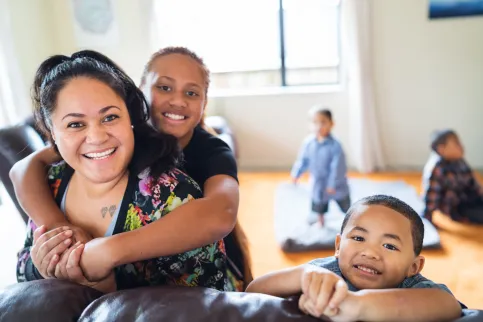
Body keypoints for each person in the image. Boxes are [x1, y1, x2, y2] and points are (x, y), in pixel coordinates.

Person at [10, 47, 251, 291]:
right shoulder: (69, 165)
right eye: (164, 87)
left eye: (191, 92)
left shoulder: (202, 161)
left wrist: (105, 254)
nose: (95, 136)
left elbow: (220, 213)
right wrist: (58, 234)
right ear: (141, 91)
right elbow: (23, 169)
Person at [246, 195, 463, 322]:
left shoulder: (413, 286)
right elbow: (253, 292)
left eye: (389, 245)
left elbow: (449, 305)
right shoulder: (326, 272)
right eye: (359, 238)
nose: (370, 253)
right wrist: (302, 275)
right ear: (338, 246)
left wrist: (358, 305)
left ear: (414, 266)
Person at [291, 106, 350, 226]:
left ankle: (351, 219)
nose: (318, 126)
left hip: (335, 183)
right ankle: (320, 221)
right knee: (319, 204)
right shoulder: (309, 143)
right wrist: (296, 174)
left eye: (323, 122)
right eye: (314, 123)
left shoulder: (335, 146)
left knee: (344, 203)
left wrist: (332, 184)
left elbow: (338, 167)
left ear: (331, 124)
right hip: (318, 182)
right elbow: (303, 160)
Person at [422, 129, 483, 225]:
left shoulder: (460, 161)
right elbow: (431, 196)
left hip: (469, 197)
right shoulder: (436, 169)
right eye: (456, 144)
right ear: (441, 149)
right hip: (456, 207)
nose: (461, 146)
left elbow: (473, 183)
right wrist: (428, 217)